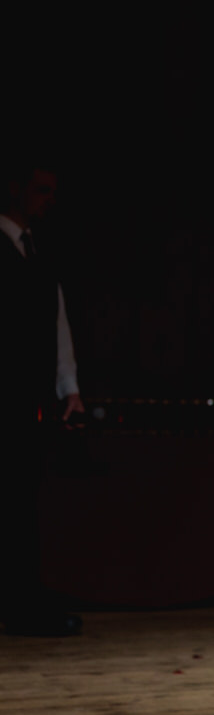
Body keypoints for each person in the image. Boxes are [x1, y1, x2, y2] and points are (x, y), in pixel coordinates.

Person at [1, 153, 84, 638]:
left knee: (22, 501)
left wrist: (68, 388)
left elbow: (57, 325)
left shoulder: (39, 254)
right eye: (40, 190)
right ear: (16, 189)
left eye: (53, 192)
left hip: (26, 403)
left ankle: (25, 600)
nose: (49, 201)